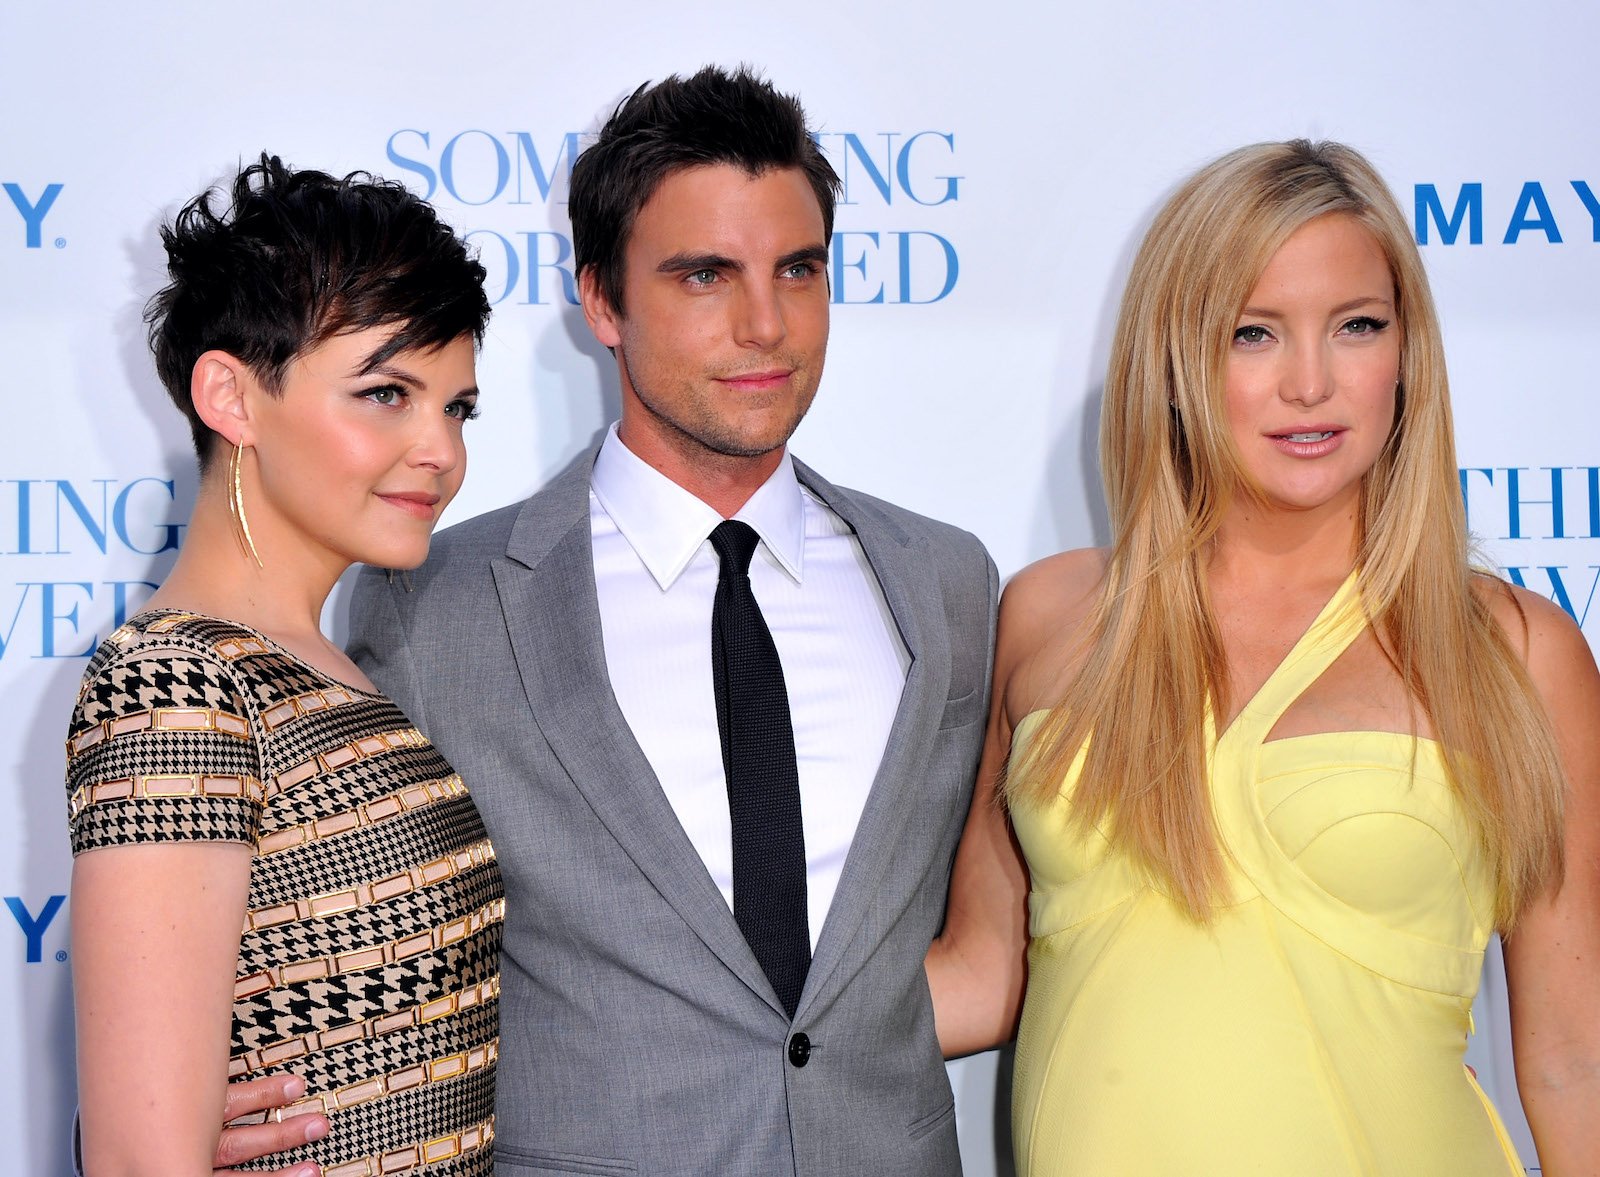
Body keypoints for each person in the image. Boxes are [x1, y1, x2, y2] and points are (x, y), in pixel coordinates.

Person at [330, 66, 996, 1176]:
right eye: (703, 275)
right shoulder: (436, 604)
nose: (764, 324)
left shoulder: (945, 584)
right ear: (600, 300)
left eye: (799, 270)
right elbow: (370, 972)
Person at [927, 139, 1600, 1175]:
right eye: (1253, 333)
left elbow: (1570, 1059)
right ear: (1178, 360)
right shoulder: (1051, 614)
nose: (1310, 383)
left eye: (1357, 327)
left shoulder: (1512, 650)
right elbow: (980, 971)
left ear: (1406, 354)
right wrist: (686, 1017)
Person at [65, 155, 499, 1177]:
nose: (439, 449)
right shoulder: (175, 684)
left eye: (457, 406)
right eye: (387, 392)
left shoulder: (326, 668)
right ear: (232, 396)